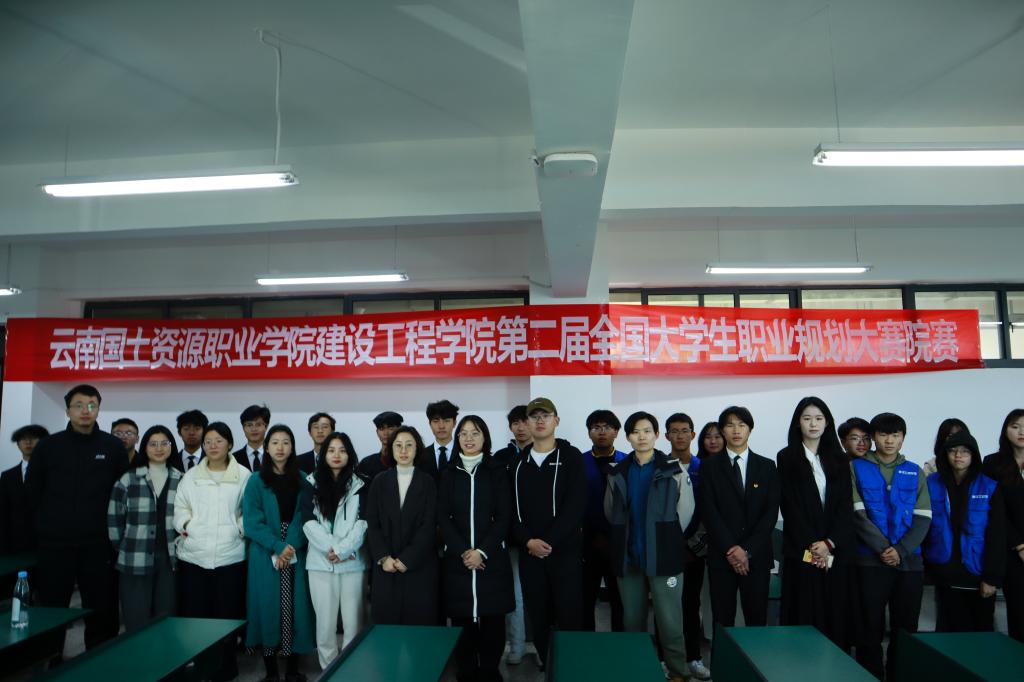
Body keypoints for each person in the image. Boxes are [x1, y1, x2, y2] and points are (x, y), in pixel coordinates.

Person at [26, 384, 128, 654]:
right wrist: (44, 528)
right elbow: (33, 492)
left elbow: (123, 494)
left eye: (92, 405)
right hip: (55, 545)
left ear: (99, 409)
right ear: (68, 409)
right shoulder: (48, 446)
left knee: (101, 608)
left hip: (98, 545)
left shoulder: (112, 447)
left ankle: (100, 660)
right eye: (79, 405)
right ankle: (50, 660)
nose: (86, 410)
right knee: (51, 608)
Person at [605, 411, 695, 682]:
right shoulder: (617, 471)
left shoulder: (673, 469)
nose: (641, 437)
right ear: (628, 437)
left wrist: (665, 537)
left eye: (647, 431)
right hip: (629, 556)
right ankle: (638, 671)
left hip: (664, 557)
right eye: (635, 432)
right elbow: (610, 511)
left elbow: (685, 512)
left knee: (670, 622)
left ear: (656, 435)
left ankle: (678, 672)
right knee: (632, 621)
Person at [850, 412, 931, 681]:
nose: (889, 440)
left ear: (903, 438)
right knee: (869, 627)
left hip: (909, 563)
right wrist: (884, 549)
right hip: (870, 561)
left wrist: (901, 551)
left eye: (895, 435)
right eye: (884, 434)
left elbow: (923, 518)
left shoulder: (915, 471)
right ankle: (869, 676)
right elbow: (856, 515)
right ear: (874, 437)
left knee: (905, 629)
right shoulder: (856, 467)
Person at [510, 397, 586, 670]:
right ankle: (548, 661)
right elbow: (510, 511)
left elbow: (576, 505)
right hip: (530, 553)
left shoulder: (571, 457)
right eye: (534, 416)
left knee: (569, 613)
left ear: (556, 420)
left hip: (564, 552)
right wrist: (528, 541)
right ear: (527, 423)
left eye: (545, 415)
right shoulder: (518, 463)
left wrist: (550, 540)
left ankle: (571, 666)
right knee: (538, 614)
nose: (540, 421)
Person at [438, 415, 514, 682]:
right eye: (464, 433)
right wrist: (464, 552)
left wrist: (481, 551)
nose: (469, 438)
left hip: (491, 557)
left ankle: (490, 670)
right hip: (458, 559)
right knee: (462, 619)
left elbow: (504, 516)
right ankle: (467, 670)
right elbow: (443, 517)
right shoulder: (448, 473)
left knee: (493, 618)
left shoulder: (497, 470)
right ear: (457, 439)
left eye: (475, 433)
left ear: (485, 438)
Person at [174, 422, 251, 682]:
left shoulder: (243, 475)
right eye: (208, 441)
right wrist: (187, 525)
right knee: (197, 615)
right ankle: (202, 665)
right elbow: (180, 508)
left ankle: (226, 667)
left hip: (230, 557)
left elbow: (250, 510)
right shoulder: (191, 476)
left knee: (226, 615)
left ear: (230, 444)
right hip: (194, 557)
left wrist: (238, 529)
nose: (213, 445)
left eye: (219, 440)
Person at [776, 397, 855, 650]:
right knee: (804, 611)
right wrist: (814, 546)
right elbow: (790, 507)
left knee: (834, 612)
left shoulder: (840, 459)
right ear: (798, 422)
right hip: (803, 550)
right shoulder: (786, 457)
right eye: (807, 418)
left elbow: (845, 506)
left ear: (827, 423)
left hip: (834, 550)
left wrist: (829, 543)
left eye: (819, 418)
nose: (813, 424)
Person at [244, 424, 316, 682]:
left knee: (295, 607)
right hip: (265, 551)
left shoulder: (303, 478)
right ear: (266, 447)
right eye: (275, 442)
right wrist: (277, 546)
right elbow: (252, 521)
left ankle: (293, 669)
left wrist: (290, 545)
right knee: (267, 606)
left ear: (292, 447)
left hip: (295, 548)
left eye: (286, 442)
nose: (280, 447)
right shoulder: (256, 480)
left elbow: (305, 515)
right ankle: (271, 671)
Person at [699, 406, 780, 629]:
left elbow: (770, 513)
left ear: (750, 429)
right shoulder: (709, 467)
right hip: (722, 556)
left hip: (757, 556)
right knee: (722, 620)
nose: (736, 430)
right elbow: (709, 512)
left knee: (756, 619)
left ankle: (756, 655)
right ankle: (722, 655)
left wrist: (747, 550)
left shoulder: (767, 466)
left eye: (741, 425)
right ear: (723, 430)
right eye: (730, 425)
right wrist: (732, 550)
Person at [923, 431, 1005, 632]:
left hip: (977, 573)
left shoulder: (989, 486)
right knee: (946, 633)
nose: (958, 455)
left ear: (974, 455)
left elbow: (997, 536)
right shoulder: (931, 483)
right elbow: (923, 526)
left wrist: (991, 577)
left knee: (980, 633)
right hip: (943, 573)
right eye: (953, 450)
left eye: (965, 451)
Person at [302, 431, 368, 669]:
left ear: (350, 454)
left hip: (352, 563)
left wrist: (342, 550)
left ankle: (351, 670)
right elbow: (308, 521)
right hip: (320, 563)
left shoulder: (362, 484)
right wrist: (331, 549)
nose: (337, 455)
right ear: (324, 454)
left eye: (342, 450)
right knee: (325, 623)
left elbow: (363, 523)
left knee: (353, 623)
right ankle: (328, 669)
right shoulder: (311, 482)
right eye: (331, 450)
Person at [107, 425, 183, 632]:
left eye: (164, 443)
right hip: (134, 557)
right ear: (145, 447)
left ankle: (164, 654)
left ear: (171, 446)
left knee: (167, 618)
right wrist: (123, 546)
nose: (159, 448)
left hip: (170, 559)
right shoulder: (128, 479)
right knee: (136, 618)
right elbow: (114, 518)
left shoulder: (181, 479)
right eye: (153, 444)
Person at [365, 426, 438, 624]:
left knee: (418, 627)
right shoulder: (379, 481)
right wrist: (383, 557)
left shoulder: (428, 482)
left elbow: (429, 525)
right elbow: (372, 522)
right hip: (386, 566)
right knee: (386, 628)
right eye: (398, 445)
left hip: (418, 565)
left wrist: (407, 558)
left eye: (409, 445)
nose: (403, 451)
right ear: (391, 449)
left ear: (417, 449)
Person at [665, 412, 711, 680]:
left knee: (691, 605)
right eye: (674, 431)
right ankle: (664, 659)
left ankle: (693, 657)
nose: (680, 436)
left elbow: (709, 510)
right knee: (665, 606)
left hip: (695, 549)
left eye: (685, 431)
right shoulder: (660, 466)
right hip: (666, 550)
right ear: (666, 435)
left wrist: (693, 543)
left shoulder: (703, 468)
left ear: (693, 435)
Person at [491, 405, 530, 665]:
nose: (520, 427)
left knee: (543, 594)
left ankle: (547, 646)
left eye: (524, 421)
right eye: (515, 423)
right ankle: (517, 645)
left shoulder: (546, 453)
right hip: (510, 536)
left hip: (541, 537)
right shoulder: (501, 457)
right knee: (515, 593)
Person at [581, 409, 626, 633]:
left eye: (607, 427)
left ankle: (618, 645)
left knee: (620, 600)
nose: (601, 432)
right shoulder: (579, 462)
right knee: (585, 600)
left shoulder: (627, 461)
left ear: (616, 432)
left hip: (618, 542)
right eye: (596, 428)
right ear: (589, 432)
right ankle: (588, 645)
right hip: (586, 543)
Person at [982, 408, 1024, 642]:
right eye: (1015, 426)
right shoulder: (993, 463)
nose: (1021, 432)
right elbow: (993, 510)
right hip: (1011, 550)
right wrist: (1019, 544)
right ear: (1006, 430)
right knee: (1019, 614)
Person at [0, 424, 48, 555]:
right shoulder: (7, 476)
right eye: (23, 438)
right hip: (16, 542)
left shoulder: (53, 474)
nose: (28, 442)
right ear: (17, 444)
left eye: (33, 438)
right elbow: (3, 512)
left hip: (46, 541)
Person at [356, 411, 403, 482]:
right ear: (377, 432)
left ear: (400, 430)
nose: (386, 433)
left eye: (390, 428)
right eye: (381, 429)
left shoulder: (407, 460)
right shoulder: (367, 463)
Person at [420, 400, 459, 481]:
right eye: (436, 421)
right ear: (430, 424)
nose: (441, 426)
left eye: (446, 420)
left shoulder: (463, 453)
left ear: (454, 423)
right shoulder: (421, 456)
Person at [233, 404, 271, 472]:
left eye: (258, 424)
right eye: (249, 425)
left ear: (266, 426)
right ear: (243, 428)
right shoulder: (234, 459)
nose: (254, 429)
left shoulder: (274, 455)